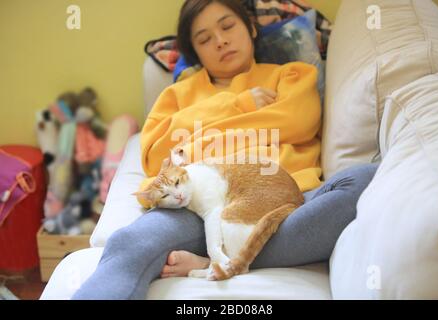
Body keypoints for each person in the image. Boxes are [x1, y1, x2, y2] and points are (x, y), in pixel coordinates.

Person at [72, 0, 379, 300]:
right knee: (130, 243)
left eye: (228, 26)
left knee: (366, 179)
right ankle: (233, 252)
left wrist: (193, 143)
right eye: (204, 39)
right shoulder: (177, 95)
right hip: (196, 206)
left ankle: (215, 258)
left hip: (289, 200)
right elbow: (155, 156)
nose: (220, 41)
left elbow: (298, 122)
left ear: (251, 29)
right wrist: (238, 105)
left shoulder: (290, 75)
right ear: (195, 52)